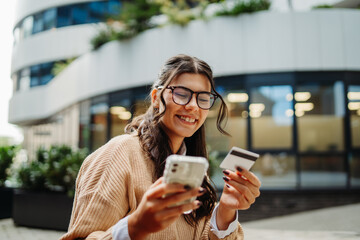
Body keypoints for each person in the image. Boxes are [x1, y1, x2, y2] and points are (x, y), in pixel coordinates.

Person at [60, 54, 261, 240]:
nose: (193, 106)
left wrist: (225, 210)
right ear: (156, 98)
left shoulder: (191, 168)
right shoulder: (118, 154)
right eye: (182, 94)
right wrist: (135, 226)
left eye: (203, 98)